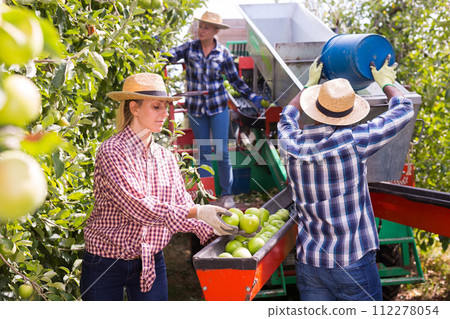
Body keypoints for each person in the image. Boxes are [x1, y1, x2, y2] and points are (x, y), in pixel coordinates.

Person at [80, 73, 247, 301]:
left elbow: (182, 207)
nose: (165, 114)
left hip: (151, 258)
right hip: (107, 260)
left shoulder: (165, 157)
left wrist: (222, 227)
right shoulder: (111, 152)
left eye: (166, 107)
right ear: (134, 108)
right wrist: (199, 211)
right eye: (157, 107)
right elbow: (138, 207)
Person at [277, 56, 414, 301]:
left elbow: (286, 117)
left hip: (310, 262)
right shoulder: (354, 141)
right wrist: (385, 83)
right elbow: (403, 110)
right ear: (350, 113)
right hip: (352, 261)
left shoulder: (291, 145)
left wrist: (308, 86)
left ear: (315, 108)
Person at [167, 11, 265, 209]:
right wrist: (157, 50)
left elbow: (235, 81)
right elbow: (168, 56)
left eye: (206, 27)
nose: (201, 30)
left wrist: (252, 96)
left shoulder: (222, 53)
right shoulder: (189, 48)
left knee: (221, 151)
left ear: (215, 31)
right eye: (200, 26)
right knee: (204, 152)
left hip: (218, 107)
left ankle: (227, 194)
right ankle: (208, 196)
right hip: (196, 109)